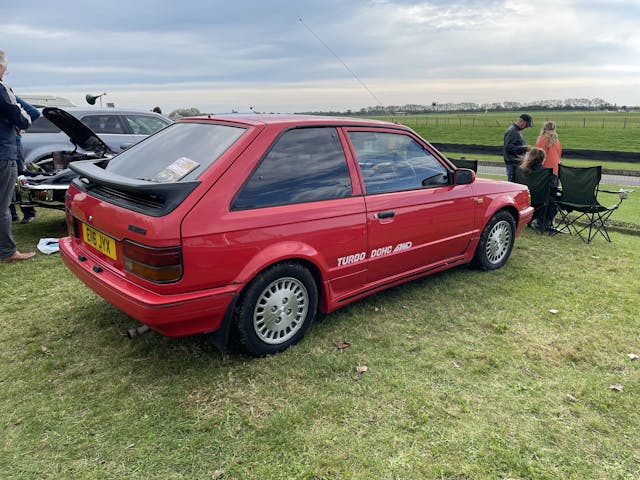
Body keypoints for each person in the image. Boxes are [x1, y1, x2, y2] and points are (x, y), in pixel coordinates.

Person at [0, 50, 36, 262]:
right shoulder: (2, 88)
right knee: (3, 205)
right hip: (3, 153)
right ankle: (6, 252)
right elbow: (22, 117)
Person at [9, 96, 40, 223]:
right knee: (6, 180)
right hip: (6, 144)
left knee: (19, 177)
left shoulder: (9, 97)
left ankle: (29, 212)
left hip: (12, 145)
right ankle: (11, 213)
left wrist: (18, 127)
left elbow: (34, 112)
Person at [519, 147, 558, 232]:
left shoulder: (520, 171)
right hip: (542, 201)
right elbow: (553, 188)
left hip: (525, 200)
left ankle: (533, 220)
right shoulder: (546, 173)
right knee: (554, 199)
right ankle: (542, 222)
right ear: (543, 159)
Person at [503, 113, 533, 182]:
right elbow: (509, 148)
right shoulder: (513, 131)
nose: (527, 127)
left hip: (514, 162)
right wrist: (525, 148)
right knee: (512, 185)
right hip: (512, 163)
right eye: (527, 124)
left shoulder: (516, 130)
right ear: (521, 121)